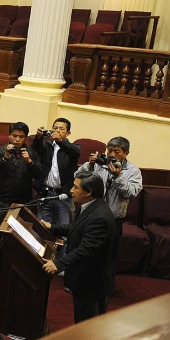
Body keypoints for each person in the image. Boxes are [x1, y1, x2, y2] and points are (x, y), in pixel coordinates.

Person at [42, 172, 117, 323]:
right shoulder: (92, 206)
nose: (71, 190)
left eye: (75, 187)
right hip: (85, 279)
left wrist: (58, 264)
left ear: (89, 192)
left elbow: (86, 250)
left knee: (88, 326)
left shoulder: (99, 217)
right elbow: (77, 227)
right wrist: (53, 227)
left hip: (92, 284)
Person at [0, 122, 42, 278]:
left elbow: (39, 174)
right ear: (9, 136)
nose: (17, 139)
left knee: (19, 237)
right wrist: (5, 159)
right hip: (1, 200)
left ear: (25, 138)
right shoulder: (0, 152)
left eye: (21, 137)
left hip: (22, 201)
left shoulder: (32, 154)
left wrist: (29, 162)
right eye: (14, 136)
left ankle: (14, 267)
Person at [75, 136, 142, 252]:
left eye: (117, 152)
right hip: (90, 216)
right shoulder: (99, 163)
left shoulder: (133, 171)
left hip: (113, 221)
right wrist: (90, 165)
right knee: (83, 251)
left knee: (108, 256)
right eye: (109, 150)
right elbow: (77, 178)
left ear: (126, 153)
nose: (111, 154)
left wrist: (118, 176)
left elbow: (131, 192)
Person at [33, 118, 81, 233]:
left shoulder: (73, 147)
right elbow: (35, 149)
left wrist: (60, 141)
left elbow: (75, 152)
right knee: (42, 229)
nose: (57, 130)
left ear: (68, 133)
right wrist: (38, 137)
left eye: (61, 129)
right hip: (45, 193)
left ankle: (62, 251)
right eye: (55, 128)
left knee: (64, 230)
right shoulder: (46, 145)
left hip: (64, 195)